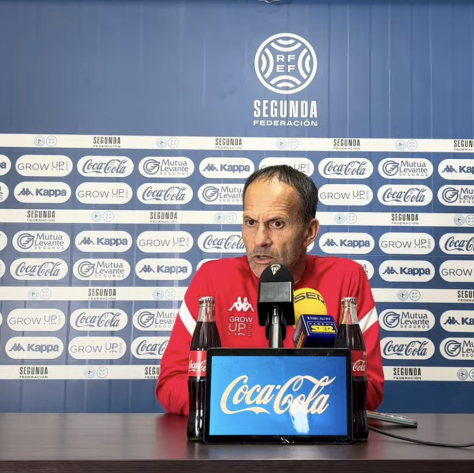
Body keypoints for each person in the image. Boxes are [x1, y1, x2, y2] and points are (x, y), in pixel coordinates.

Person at [155, 164, 384, 415]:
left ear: (309, 232)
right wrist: (254, 409)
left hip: (314, 438)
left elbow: (368, 388)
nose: (260, 239)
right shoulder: (212, 279)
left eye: (277, 223)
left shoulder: (346, 278)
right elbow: (172, 382)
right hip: (233, 432)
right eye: (251, 222)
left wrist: (263, 400)